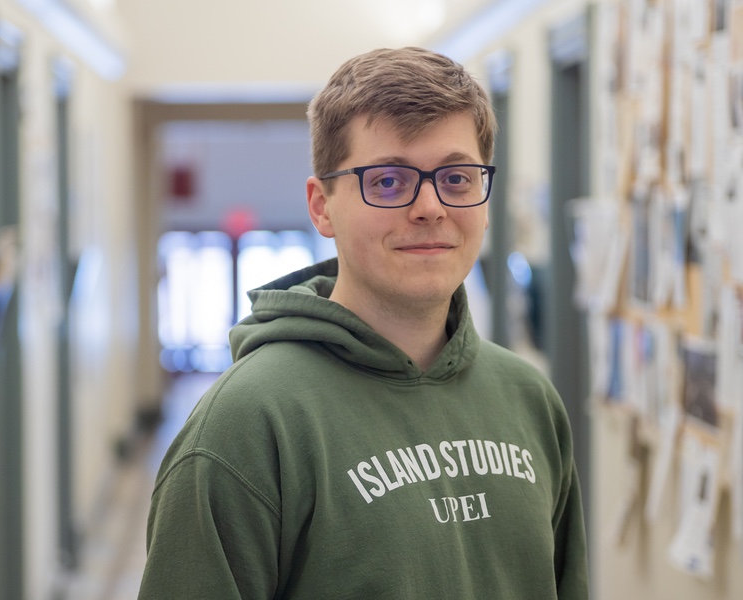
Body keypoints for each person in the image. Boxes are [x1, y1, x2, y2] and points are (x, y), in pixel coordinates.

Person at [138, 46, 588, 599]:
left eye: (457, 178)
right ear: (321, 205)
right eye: (390, 181)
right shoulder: (244, 427)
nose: (430, 207)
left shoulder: (530, 400)